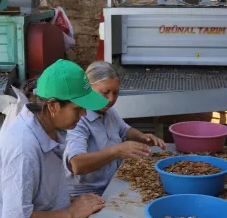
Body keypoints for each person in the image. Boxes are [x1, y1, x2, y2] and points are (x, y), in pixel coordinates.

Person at [0, 59, 109, 218]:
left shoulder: (50, 127)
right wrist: (70, 213)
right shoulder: (23, 148)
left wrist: (71, 213)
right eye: (77, 108)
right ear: (53, 106)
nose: (83, 115)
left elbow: (45, 189)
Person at [64, 61, 166, 197]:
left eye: (116, 93)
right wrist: (116, 151)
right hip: (86, 195)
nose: (111, 99)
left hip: (112, 183)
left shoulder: (107, 111)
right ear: (87, 88)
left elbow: (124, 130)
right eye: (105, 92)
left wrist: (143, 137)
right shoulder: (77, 120)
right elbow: (77, 164)